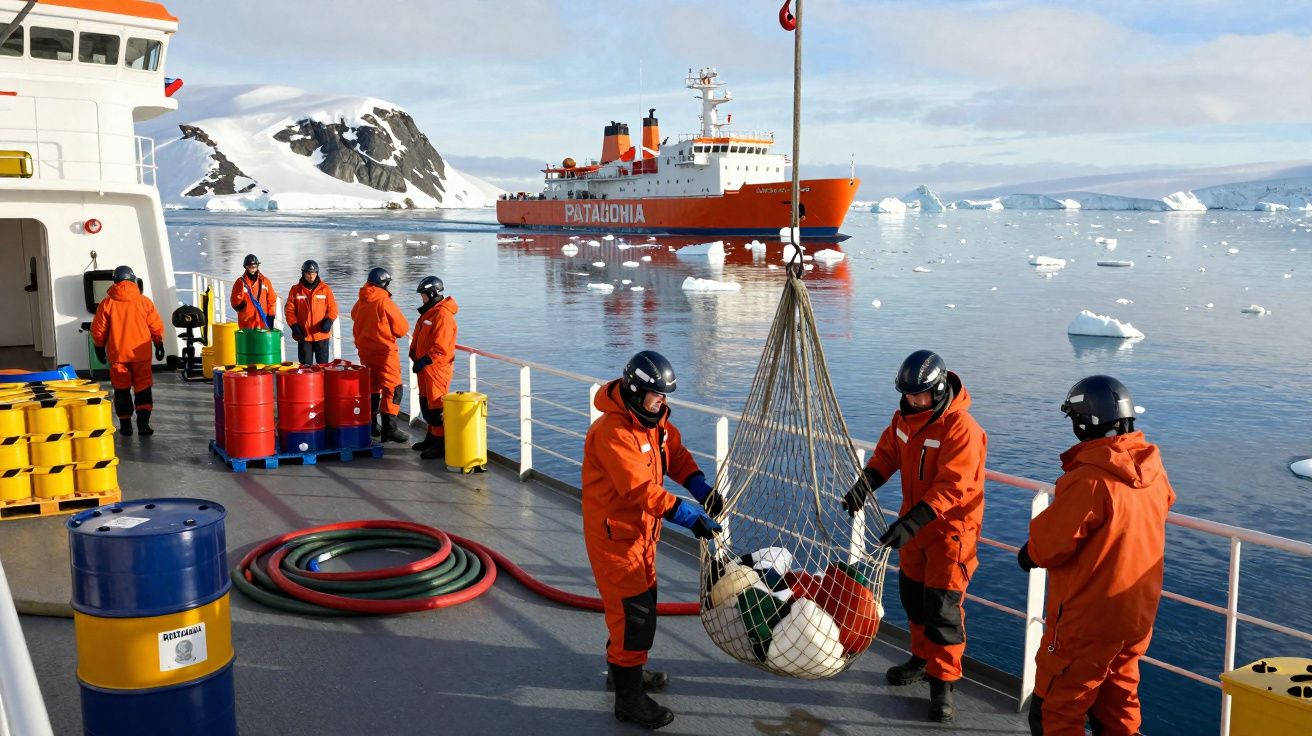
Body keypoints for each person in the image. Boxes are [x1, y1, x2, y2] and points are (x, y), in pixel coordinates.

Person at [1017, 375, 1175, 736]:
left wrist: (1029, 554)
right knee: (1118, 705)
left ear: (1084, 422)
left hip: (1087, 621)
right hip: (1135, 616)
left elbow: (1050, 543)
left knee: (1057, 711)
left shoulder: (1090, 480)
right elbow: (1159, 507)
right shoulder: (1153, 471)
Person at [842, 349, 987, 723]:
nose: (913, 401)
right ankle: (921, 659)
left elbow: (954, 486)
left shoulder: (962, 430)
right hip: (916, 530)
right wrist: (865, 484)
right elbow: (887, 455)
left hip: (950, 535)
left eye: (919, 395)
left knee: (942, 612)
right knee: (912, 598)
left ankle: (943, 687)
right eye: (907, 394)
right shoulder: (904, 419)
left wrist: (909, 523)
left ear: (938, 389)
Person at [582, 350, 723, 730]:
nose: (662, 402)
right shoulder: (612, 432)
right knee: (634, 619)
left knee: (638, 612)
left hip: (641, 538)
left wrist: (698, 485)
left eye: (664, 397)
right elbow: (638, 490)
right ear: (634, 390)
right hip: (617, 541)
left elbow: (673, 453)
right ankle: (628, 702)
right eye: (656, 396)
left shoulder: (653, 423)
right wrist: (686, 513)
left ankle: (623, 675)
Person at [90, 266, 164, 436]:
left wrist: (99, 347)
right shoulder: (144, 302)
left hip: (118, 355)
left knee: (122, 390)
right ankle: (143, 425)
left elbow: (98, 330)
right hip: (141, 355)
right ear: (133, 280)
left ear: (115, 281)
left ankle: (126, 426)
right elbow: (156, 326)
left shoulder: (107, 303)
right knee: (143, 388)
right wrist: (159, 344)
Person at [351, 267, 410, 443]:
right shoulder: (385, 302)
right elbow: (402, 329)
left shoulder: (361, 300)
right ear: (385, 284)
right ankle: (389, 429)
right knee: (394, 389)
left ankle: (370, 425)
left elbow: (354, 316)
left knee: (373, 388)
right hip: (384, 353)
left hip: (366, 353)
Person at [408, 276, 458, 460]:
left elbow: (441, 347)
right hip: (425, 368)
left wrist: (425, 360)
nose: (421, 298)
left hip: (436, 369)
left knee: (436, 408)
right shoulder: (430, 313)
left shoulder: (442, 315)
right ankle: (431, 437)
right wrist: (415, 356)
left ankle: (440, 444)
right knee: (426, 404)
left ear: (431, 294)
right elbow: (420, 336)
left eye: (423, 295)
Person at [284, 260, 338, 365]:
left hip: (321, 334)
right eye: (309, 274)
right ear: (303, 273)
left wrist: (329, 320)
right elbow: (289, 311)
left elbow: (333, 308)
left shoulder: (325, 289)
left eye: (314, 273)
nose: (311, 276)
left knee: (322, 367)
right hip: (304, 334)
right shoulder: (295, 290)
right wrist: (294, 325)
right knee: (305, 368)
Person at [229, 253, 276, 330]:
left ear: (257, 266)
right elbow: (234, 301)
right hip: (246, 322)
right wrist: (243, 306)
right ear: (246, 267)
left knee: (262, 342)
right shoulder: (240, 282)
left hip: (263, 321)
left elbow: (272, 300)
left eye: (254, 267)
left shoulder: (265, 281)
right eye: (250, 267)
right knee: (248, 341)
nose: (253, 269)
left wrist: (271, 316)